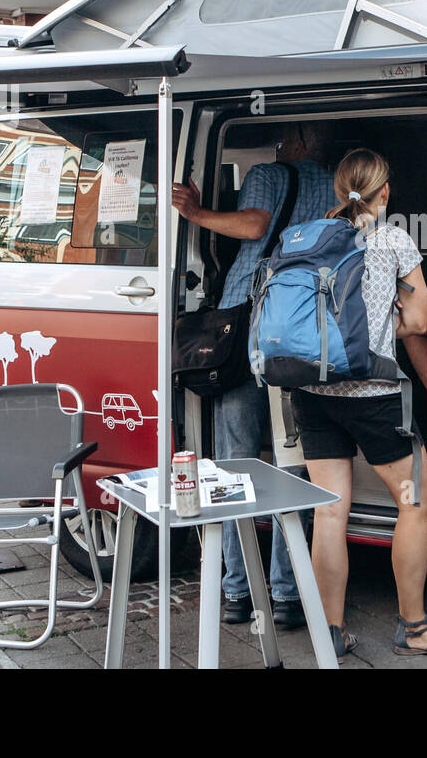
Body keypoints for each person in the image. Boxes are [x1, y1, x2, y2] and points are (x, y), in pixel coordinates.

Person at [293, 148, 427, 660]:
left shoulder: (313, 235)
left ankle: (331, 632)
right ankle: (414, 628)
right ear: (385, 192)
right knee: (417, 501)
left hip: (313, 392)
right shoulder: (393, 238)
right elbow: (418, 322)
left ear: (338, 191)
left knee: (330, 513)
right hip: (372, 394)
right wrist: (385, 325)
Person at [172, 121, 335, 630]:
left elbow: (254, 226)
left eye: (286, 138)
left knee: (235, 464)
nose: (280, 145)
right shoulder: (334, 182)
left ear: (301, 140)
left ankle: (238, 592)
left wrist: (196, 213)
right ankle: (288, 597)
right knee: (293, 463)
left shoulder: (267, 172)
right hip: (305, 331)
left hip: (247, 325)